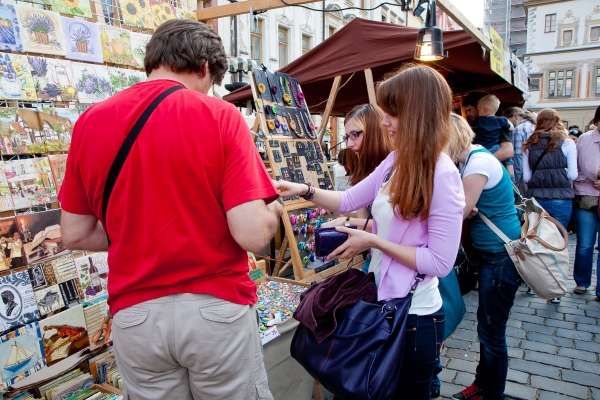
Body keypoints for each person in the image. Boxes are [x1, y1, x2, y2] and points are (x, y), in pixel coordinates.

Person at [58, 20, 281, 400]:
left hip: (136, 315)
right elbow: (253, 234)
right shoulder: (220, 116)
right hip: (215, 306)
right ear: (204, 68)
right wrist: (272, 211)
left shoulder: (89, 122)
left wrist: (137, 230)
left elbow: (75, 233)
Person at [276, 64, 465, 398]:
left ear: (416, 113)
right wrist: (302, 189)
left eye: (391, 112)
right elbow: (348, 199)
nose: (385, 121)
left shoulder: (443, 175)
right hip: (384, 302)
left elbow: (439, 262)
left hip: (415, 317)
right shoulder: (396, 161)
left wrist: (371, 239)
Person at [452, 114, 522, 400]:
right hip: (495, 254)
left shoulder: (477, 163)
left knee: (492, 329)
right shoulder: (474, 159)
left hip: (501, 256)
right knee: (488, 326)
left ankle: (491, 392)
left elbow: (462, 210)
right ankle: (485, 385)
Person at [522, 108, 577, 304]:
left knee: (534, 240)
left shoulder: (529, 144)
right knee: (558, 244)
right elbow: (573, 175)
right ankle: (555, 290)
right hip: (561, 198)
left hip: (536, 199)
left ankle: (532, 283)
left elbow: (527, 177)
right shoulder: (568, 142)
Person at [323, 104, 393, 228]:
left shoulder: (395, 167)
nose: (349, 144)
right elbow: (362, 222)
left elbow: (394, 226)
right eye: (347, 137)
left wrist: (348, 221)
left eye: (354, 134)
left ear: (374, 133)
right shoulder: (364, 169)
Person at [573, 105, 600, 300]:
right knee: (585, 244)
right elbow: (582, 166)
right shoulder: (585, 139)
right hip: (586, 195)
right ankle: (582, 281)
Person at [462, 92, 515, 163]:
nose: (467, 114)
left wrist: (482, 161)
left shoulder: (498, 124)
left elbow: (507, 151)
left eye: (469, 110)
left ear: (479, 108)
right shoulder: (476, 125)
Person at [471, 94, 515, 180]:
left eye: (478, 109)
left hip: (482, 149)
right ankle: (511, 178)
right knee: (508, 160)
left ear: (484, 110)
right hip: (495, 147)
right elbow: (511, 127)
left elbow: (472, 134)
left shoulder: (478, 121)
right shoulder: (501, 120)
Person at [504, 107, 536, 192]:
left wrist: (516, 183)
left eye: (508, 121)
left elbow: (517, 156)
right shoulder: (535, 126)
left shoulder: (518, 129)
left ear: (515, 116)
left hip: (524, 175)